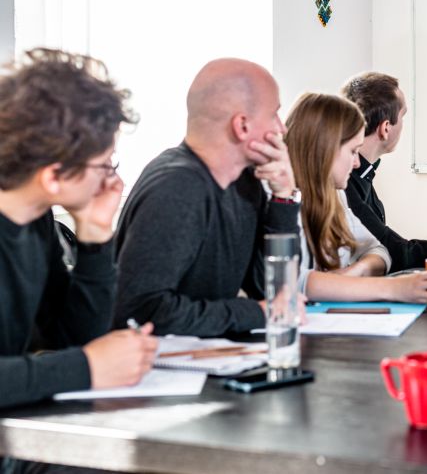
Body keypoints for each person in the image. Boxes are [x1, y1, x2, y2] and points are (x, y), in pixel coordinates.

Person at [0, 48, 156, 410]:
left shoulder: (35, 220)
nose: (111, 179)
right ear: (54, 176)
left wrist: (95, 233)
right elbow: (81, 358)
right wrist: (87, 368)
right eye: (104, 165)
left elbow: (70, 336)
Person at [113, 58, 302, 337]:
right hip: (157, 359)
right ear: (242, 125)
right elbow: (141, 312)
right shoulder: (177, 187)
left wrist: (283, 197)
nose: (281, 129)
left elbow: (274, 290)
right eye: (274, 114)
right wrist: (256, 313)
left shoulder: (245, 183)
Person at [285, 93, 427, 304]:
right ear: (324, 150)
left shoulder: (335, 195)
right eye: (352, 151)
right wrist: (394, 288)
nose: (357, 163)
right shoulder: (280, 201)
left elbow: (378, 250)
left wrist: (352, 274)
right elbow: (295, 282)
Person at [341, 72, 427, 270]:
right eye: (402, 116)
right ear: (386, 128)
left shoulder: (363, 173)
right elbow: (395, 250)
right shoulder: (344, 182)